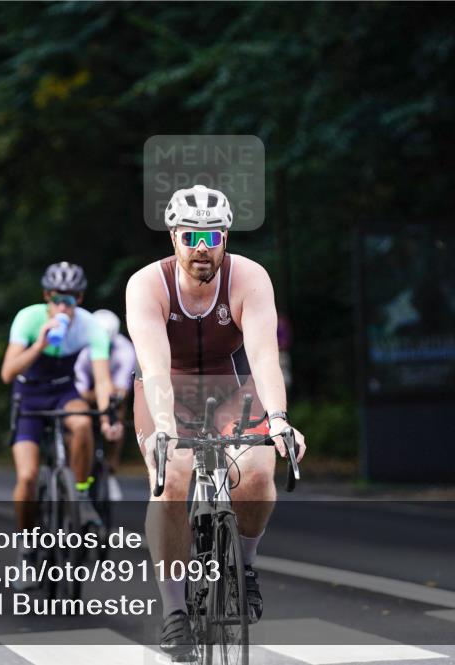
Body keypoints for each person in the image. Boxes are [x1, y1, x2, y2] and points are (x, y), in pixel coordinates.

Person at [125, 184, 306, 656]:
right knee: (174, 477)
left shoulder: (250, 278)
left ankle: (244, 566)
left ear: (226, 236)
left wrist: (280, 419)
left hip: (230, 387)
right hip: (166, 390)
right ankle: (175, 613)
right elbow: (155, 365)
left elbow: (265, 355)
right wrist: (165, 429)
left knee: (259, 469)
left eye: (212, 237)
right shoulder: (147, 284)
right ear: (173, 238)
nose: (201, 248)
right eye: (190, 238)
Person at [0, 262, 120, 577]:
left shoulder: (90, 326)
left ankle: (79, 493)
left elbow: (102, 380)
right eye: (56, 298)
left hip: (63, 391)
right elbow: (7, 372)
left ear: (80, 298)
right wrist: (39, 343)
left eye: (69, 299)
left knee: (82, 424)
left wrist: (108, 416)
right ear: (46, 296)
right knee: (26, 477)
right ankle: (26, 550)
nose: (62, 305)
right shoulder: (28, 318)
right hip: (28, 395)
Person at [74, 309, 136, 500]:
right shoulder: (82, 348)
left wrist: (104, 397)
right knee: (77, 414)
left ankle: (111, 466)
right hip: (91, 388)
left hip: (111, 390)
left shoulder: (125, 350)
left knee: (118, 411)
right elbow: (80, 390)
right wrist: (94, 395)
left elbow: (121, 391)